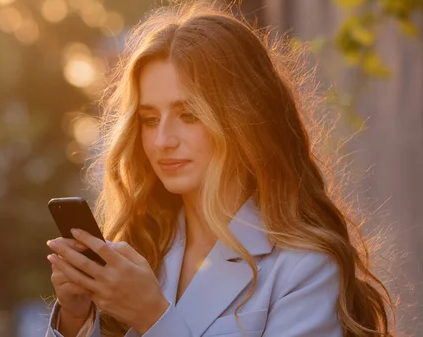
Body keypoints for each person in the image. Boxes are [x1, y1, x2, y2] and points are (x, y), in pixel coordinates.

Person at [44, 2, 395, 336]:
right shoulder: (140, 250)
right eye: (150, 120)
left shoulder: (303, 268)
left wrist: (152, 318)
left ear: (244, 119)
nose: (163, 140)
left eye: (189, 115)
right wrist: (76, 319)